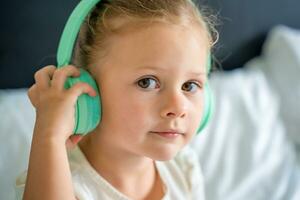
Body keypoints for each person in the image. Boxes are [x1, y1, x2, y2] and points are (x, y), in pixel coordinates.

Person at [15, 0, 218, 199]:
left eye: (190, 85)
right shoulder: (60, 183)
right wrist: (49, 136)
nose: (178, 107)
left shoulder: (184, 169)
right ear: (86, 92)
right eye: (147, 82)